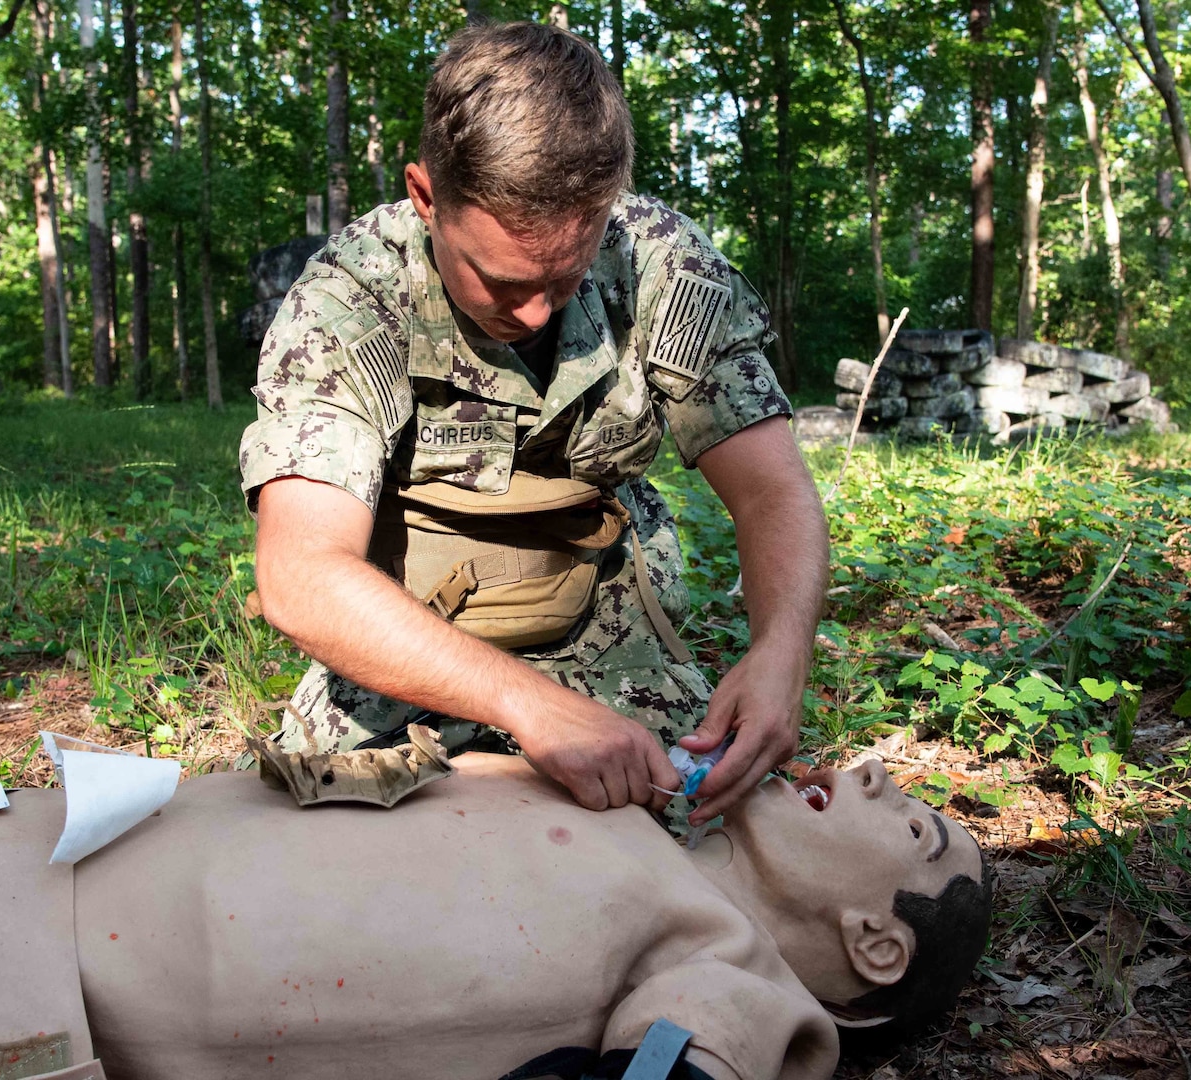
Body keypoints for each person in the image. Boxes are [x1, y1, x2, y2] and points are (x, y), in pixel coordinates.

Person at [241, 21, 829, 828]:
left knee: (702, 828)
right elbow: (301, 574)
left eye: (566, 275)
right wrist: (532, 706)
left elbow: (773, 494)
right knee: (342, 847)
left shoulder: (661, 266)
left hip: (604, 622)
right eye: (502, 281)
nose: (535, 311)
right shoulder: (352, 300)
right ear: (425, 195)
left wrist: (781, 653)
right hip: (409, 638)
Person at [0, 756, 992, 1080]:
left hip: (6, 980)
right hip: (4, 840)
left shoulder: (725, 964)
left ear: (873, 945)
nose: (880, 779)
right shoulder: (623, 808)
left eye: (915, 827)